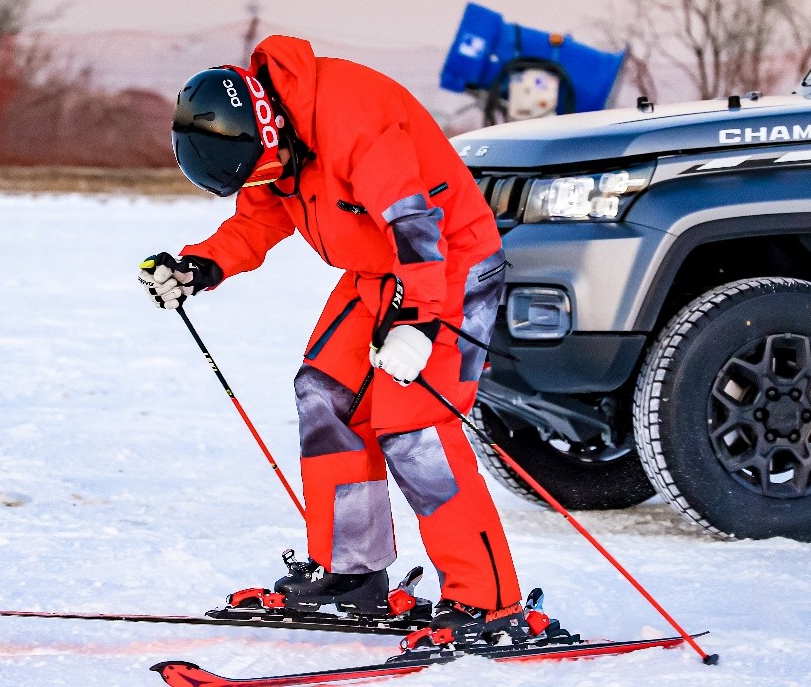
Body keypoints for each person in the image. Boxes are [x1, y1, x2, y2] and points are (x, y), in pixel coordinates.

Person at [139, 35, 528, 638]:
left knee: (415, 427)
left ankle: (489, 599)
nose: (265, 179)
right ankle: (353, 571)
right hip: (376, 271)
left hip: (450, 263)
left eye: (263, 169)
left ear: (265, 130)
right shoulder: (271, 138)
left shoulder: (353, 121)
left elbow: (417, 225)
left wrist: (419, 324)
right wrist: (200, 266)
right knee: (326, 393)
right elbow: (262, 215)